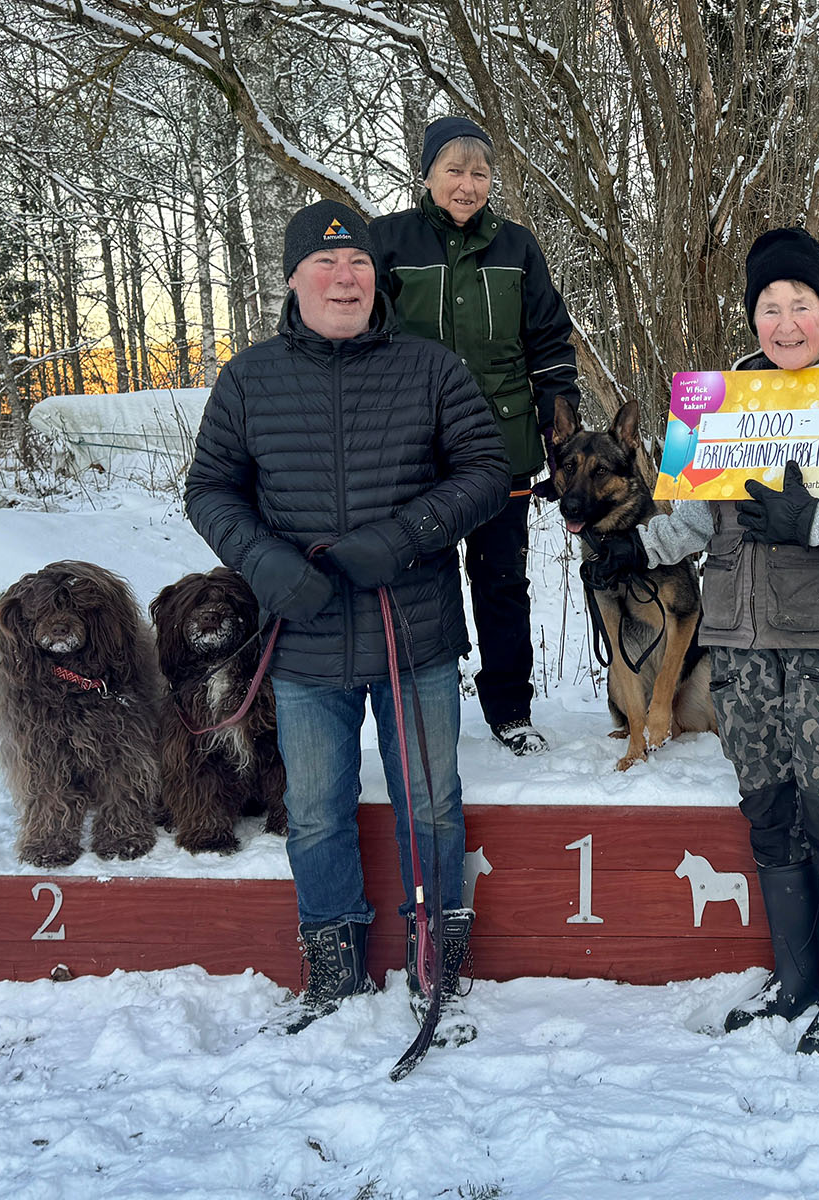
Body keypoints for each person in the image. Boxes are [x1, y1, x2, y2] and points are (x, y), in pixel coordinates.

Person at [588, 227, 819, 1061]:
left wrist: (817, 520)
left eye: (800, 304)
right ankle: (797, 981)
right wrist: (637, 546)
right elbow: (690, 519)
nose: (785, 323)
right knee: (770, 807)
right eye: (769, 307)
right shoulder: (719, 401)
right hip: (742, 636)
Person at [184, 200, 511, 1037]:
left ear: (377, 277)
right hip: (304, 636)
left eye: (358, 262)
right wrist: (263, 562)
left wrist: (405, 536)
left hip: (414, 630)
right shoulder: (249, 379)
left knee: (431, 805)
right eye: (324, 265)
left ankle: (436, 955)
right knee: (318, 809)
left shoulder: (431, 368)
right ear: (293, 280)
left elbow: (486, 471)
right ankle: (335, 966)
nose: (344, 278)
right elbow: (210, 489)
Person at [372, 116, 584, 757]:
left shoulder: (517, 247)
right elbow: (363, 338)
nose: (468, 184)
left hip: (502, 449)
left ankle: (509, 708)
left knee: (501, 581)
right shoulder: (387, 241)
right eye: (454, 170)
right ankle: (421, 707)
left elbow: (549, 344)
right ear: (427, 175)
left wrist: (559, 434)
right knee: (417, 579)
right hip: (414, 451)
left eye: (480, 173)